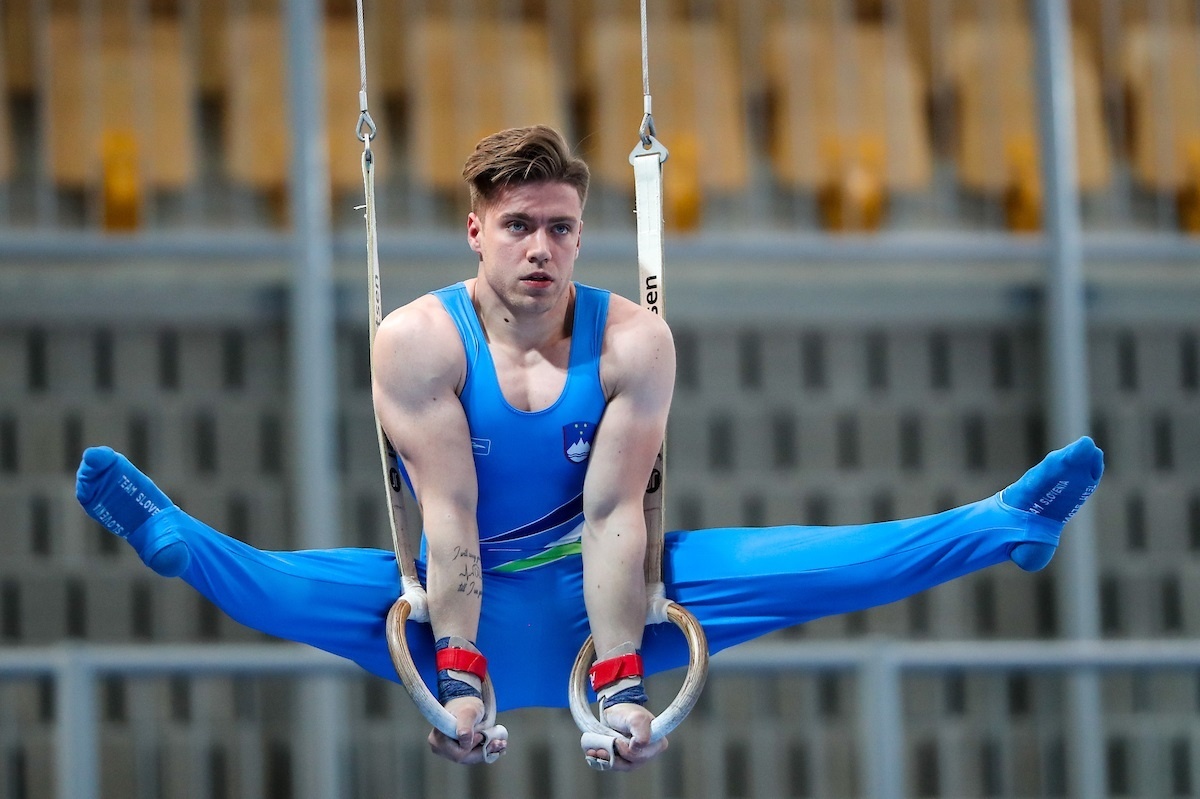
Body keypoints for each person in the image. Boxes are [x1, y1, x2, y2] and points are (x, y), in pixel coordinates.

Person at [74, 125, 1105, 772]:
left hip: (602, 600)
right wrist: (459, 675)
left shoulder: (631, 341)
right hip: (444, 600)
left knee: (815, 560)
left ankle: (1000, 526)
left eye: (563, 228)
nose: (543, 248)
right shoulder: (421, 343)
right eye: (519, 224)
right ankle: (174, 535)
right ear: (475, 230)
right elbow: (450, 517)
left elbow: (618, 514)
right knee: (285, 586)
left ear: (583, 234)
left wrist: (619, 681)